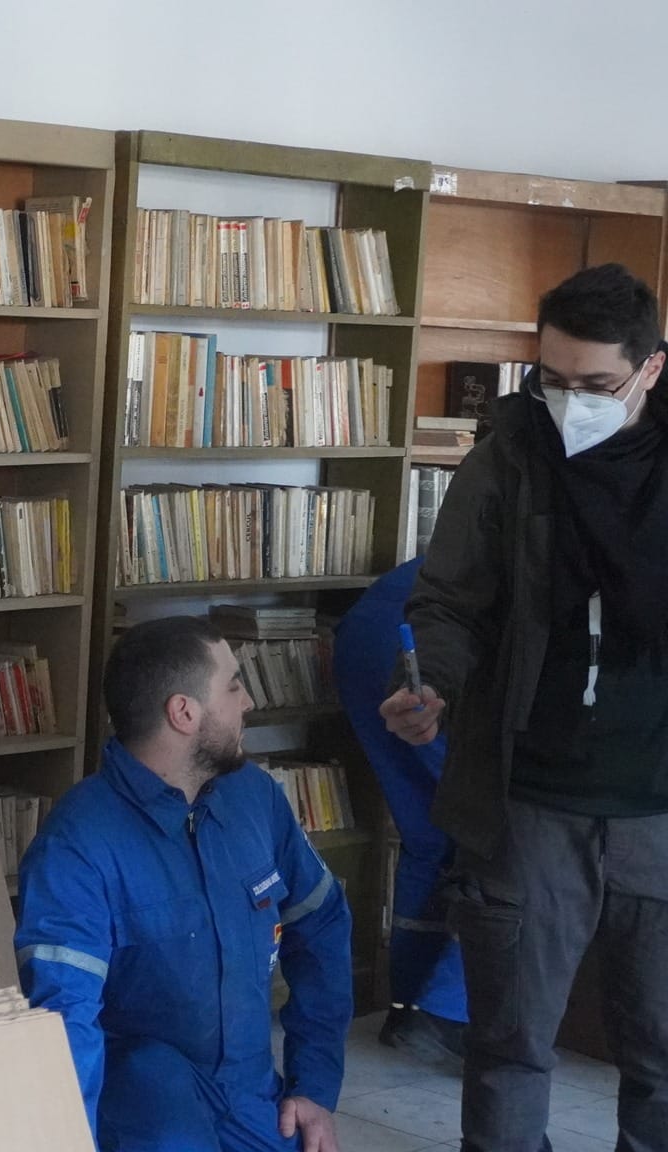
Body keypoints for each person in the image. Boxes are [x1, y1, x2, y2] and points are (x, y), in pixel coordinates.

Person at [383, 263, 668, 1152]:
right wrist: (431, 683)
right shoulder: (509, 457)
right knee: (510, 1050)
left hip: (659, 809)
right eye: (552, 380)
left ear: (652, 368)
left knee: (662, 1057)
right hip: (530, 803)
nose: (570, 403)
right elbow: (447, 602)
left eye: (597, 385)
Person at [18, 615, 352, 1152]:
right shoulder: (77, 843)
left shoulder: (255, 798)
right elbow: (64, 1017)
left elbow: (322, 923)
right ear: (184, 712)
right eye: (234, 687)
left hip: (249, 1093)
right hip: (143, 1104)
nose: (248, 703)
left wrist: (313, 1085)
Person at [333, 556, 468, 1066]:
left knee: (431, 836)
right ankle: (450, 1014)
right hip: (431, 652)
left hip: (368, 635)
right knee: (512, 836)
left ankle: (406, 1005)